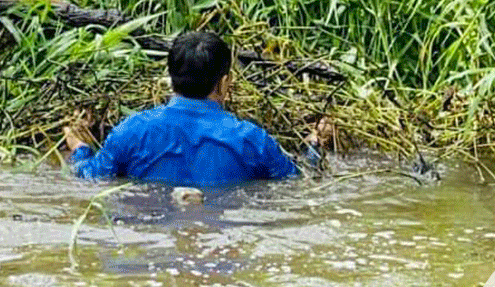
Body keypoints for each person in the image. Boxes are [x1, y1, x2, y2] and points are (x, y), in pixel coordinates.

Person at [63, 31, 312, 188]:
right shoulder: (252, 140)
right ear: (225, 83)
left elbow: (90, 178)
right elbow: (297, 183)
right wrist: (314, 146)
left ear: (169, 79)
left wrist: (80, 148)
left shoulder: (131, 132)